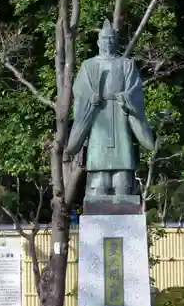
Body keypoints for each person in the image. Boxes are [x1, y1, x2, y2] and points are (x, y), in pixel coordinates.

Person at [66, 19, 155, 198]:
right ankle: (99, 187)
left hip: (121, 113)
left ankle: (123, 186)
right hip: (97, 114)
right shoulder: (88, 65)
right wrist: (90, 99)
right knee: (99, 164)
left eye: (110, 39)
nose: (107, 42)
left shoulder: (126, 64)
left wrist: (126, 98)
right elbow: (80, 92)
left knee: (123, 160)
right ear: (98, 42)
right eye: (104, 39)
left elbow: (136, 90)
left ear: (115, 42)